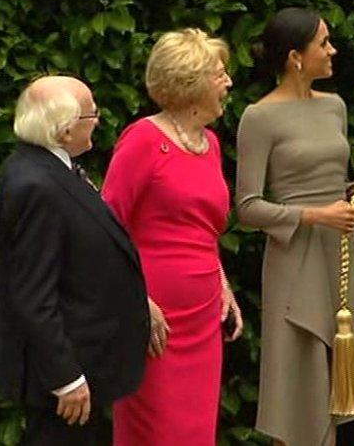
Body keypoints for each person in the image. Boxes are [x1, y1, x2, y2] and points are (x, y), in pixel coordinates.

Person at [235, 7, 354, 446]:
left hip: (340, 253)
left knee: (336, 375)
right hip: (294, 260)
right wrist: (315, 215)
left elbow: (333, 188)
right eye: (324, 43)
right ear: (295, 56)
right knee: (297, 380)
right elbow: (248, 209)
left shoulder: (334, 106)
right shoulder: (259, 117)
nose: (333, 51)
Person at [102, 29, 244, 445]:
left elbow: (204, 228)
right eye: (220, 74)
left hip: (202, 317)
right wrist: (136, 303)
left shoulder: (212, 143)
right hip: (155, 320)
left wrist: (222, 284)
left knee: (197, 430)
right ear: (191, 83)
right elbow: (106, 229)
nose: (229, 83)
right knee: (160, 431)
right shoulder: (143, 139)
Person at [0, 75, 149, 445]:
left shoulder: (49, 167)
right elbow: (32, 293)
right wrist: (66, 378)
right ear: (63, 130)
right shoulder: (37, 184)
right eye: (89, 115)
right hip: (67, 378)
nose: (97, 120)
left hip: (88, 363)